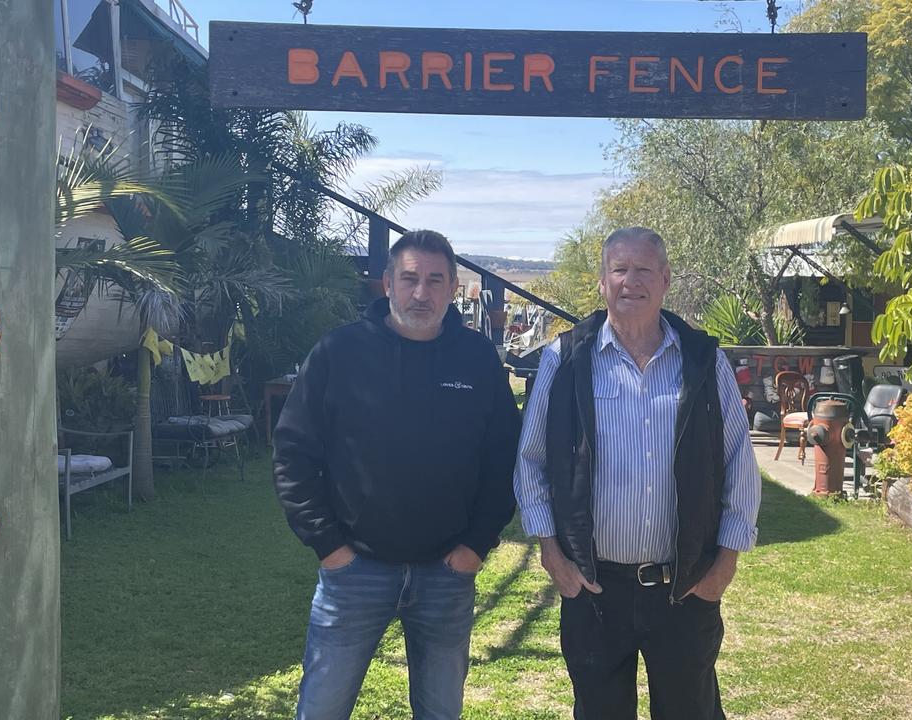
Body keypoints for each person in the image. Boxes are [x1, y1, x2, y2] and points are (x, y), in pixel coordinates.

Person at [513, 226, 761, 720]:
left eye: (644, 269)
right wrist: (551, 554)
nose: (631, 281)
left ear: (665, 279)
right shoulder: (565, 359)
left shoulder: (703, 360)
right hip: (593, 588)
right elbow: (531, 460)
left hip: (685, 587)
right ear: (603, 282)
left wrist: (724, 564)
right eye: (619, 270)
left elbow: (737, 460)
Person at [273, 229, 520, 720]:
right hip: (354, 571)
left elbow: (504, 459)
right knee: (321, 708)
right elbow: (293, 453)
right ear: (387, 283)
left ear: (454, 288)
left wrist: (475, 546)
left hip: (447, 574)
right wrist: (329, 546)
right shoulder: (338, 353)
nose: (421, 293)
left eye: (435, 280)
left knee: (440, 711)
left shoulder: (477, 360)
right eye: (409, 279)